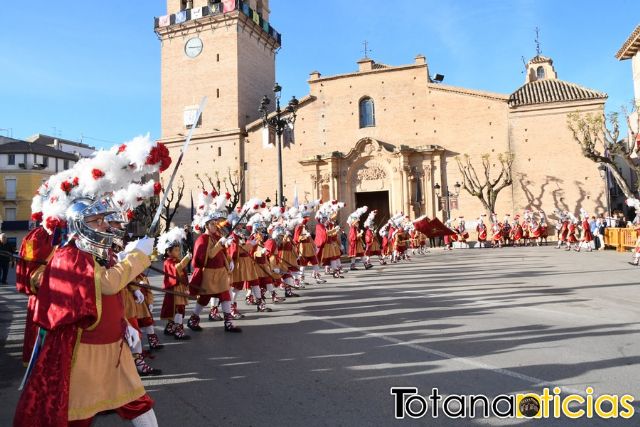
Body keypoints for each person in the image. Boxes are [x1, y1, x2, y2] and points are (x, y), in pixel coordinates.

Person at [159, 227, 192, 340]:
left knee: (179, 309)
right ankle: (178, 331)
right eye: (176, 250)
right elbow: (177, 269)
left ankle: (170, 328)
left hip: (180, 288)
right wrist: (186, 259)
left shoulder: (177, 260)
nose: (178, 252)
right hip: (174, 289)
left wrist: (187, 286)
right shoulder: (168, 262)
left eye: (179, 250)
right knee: (179, 309)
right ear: (168, 251)